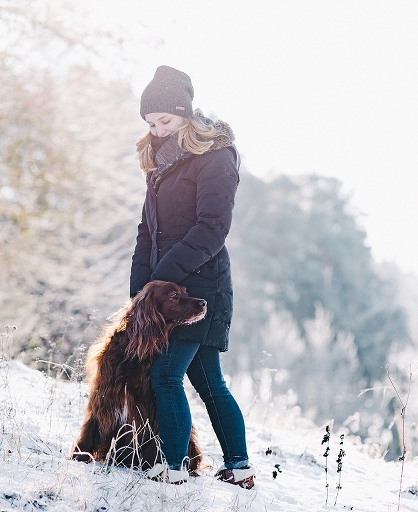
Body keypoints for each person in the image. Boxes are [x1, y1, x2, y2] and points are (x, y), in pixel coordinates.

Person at [129, 65, 254, 488]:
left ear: (186, 113)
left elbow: (212, 229)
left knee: (166, 375)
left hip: (199, 289)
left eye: (165, 120)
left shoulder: (216, 157)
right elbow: (148, 229)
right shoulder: (160, 162)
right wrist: (141, 290)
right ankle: (239, 469)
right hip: (165, 291)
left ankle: (174, 468)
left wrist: (161, 282)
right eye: (150, 122)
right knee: (207, 379)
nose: (158, 129)